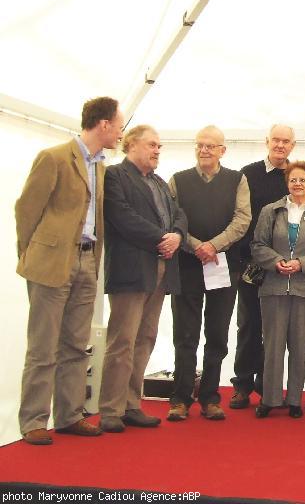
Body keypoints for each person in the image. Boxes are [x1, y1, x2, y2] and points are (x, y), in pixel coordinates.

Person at [16, 96, 124, 445]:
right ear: (104, 125)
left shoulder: (101, 167)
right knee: (43, 347)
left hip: (88, 260)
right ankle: (33, 419)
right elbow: (26, 211)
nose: (121, 132)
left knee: (76, 345)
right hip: (52, 261)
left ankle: (69, 415)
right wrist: (32, 255)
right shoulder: (54, 158)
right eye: (119, 125)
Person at [99, 125, 187, 433]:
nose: (157, 150)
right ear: (131, 144)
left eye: (160, 146)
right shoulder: (115, 176)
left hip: (160, 270)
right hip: (131, 269)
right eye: (152, 144)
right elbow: (121, 216)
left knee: (145, 338)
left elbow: (179, 215)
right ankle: (110, 408)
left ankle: (131, 405)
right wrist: (161, 237)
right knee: (122, 340)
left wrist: (177, 234)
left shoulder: (161, 183)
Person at [167, 126, 251, 421]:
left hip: (223, 266)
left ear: (222, 150)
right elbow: (171, 218)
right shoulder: (177, 181)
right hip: (187, 266)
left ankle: (210, 398)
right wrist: (196, 246)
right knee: (185, 334)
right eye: (200, 145)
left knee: (217, 334)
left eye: (211, 146)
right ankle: (179, 399)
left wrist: (214, 246)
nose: (204, 150)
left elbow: (243, 219)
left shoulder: (237, 180)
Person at [251, 161, 305, 418]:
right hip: (274, 287)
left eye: (302, 180)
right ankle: (269, 398)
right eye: (293, 180)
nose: (297, 184)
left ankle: (295, 400)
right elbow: (257, 245)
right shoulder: (271, 211)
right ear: (287, 183)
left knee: (301, 346)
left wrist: (302, 264)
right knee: (273, 345)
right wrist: (276, 262)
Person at [230, 124, 295, 409]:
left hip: (284, 267)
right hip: (251, 264)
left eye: (286, 142)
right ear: (267, 142)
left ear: (293, 145)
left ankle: (267, 385)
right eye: (276, 140)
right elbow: (239, 216)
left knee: (277, 328)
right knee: (248, 324)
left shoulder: (297, 177)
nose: (280, 145)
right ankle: (242, 384)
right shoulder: (248, 173)